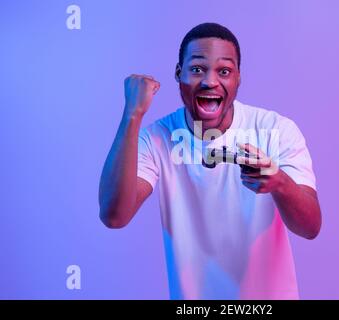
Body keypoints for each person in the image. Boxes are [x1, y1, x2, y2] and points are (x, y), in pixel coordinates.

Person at [98, 22, 322, 300]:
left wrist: (280, 184)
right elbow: (114, 216)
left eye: (224, 71)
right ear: (179, 74)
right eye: (197, 69)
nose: (210, 81)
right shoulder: (155, 139)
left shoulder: (276, 129)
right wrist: (132, 114)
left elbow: (310, 227)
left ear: (238, 77)